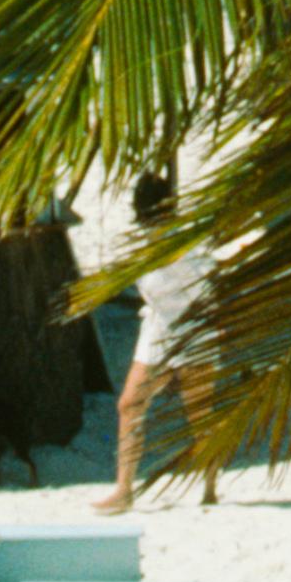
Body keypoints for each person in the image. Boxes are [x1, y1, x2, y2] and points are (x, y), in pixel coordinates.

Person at [98, 172, 219, 510]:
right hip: (158, 330)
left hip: (195, 330)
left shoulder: (187, 241)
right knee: (129, 404)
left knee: (199, 414)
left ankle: (210, 485)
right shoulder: (147, 243)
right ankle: (124, 489)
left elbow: (208, 281)